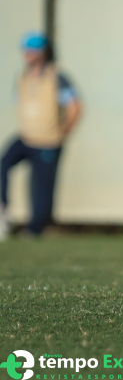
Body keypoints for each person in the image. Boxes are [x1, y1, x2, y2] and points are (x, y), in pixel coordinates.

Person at [0, 31, 82, 240]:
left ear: (44, 53)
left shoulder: (57, 77)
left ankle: (36, 228)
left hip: (49, 141)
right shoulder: (22, 77)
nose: (30, 55)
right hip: (26, 137)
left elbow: (75, 106)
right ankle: (3, 210)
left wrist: (64, 131)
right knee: (4, 163)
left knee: (41, 187)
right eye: (27, 50)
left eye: (34, 50)